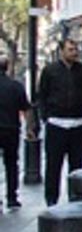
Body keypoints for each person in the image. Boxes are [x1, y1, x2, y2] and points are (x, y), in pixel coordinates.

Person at [36, 37, 82, 206]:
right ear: (62, 51)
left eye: (76, 49)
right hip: (57, 123)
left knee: (77, 165)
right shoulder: (50, 71)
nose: (75, 52)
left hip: (78, 123)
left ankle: (75, 198)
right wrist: (44, 117)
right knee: (53, 165)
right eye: (71, 49)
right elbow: (42, 95)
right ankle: (51, 200)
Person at [0, 55, 30, 209]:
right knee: (11, 163)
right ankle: (12, 197)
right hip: (11, 130)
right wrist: (30, 129)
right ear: (7, 67)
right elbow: (25, 109)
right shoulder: (16, 86)